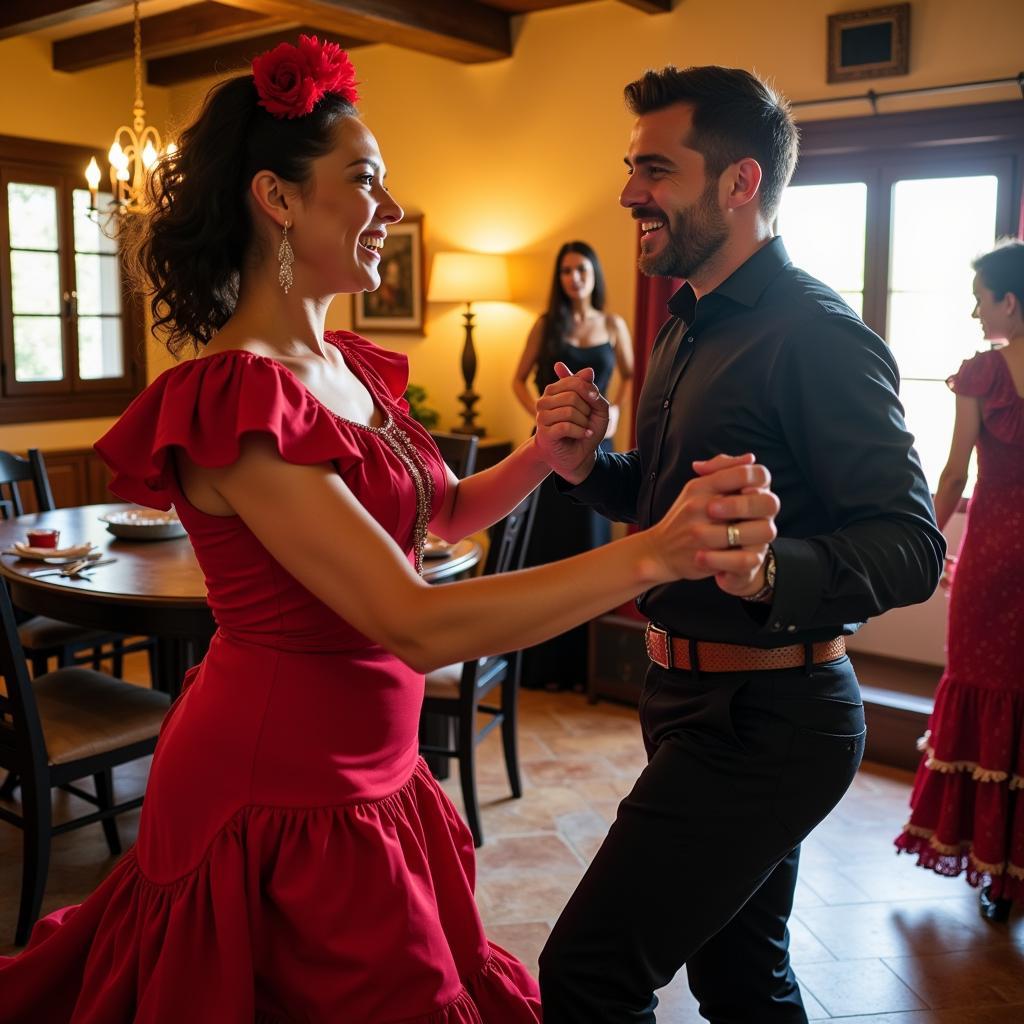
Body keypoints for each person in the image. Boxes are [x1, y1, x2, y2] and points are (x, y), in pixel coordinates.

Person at [0, 40, 782, 1022]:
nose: (389, 208)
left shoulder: (349, 365)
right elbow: (411, 619)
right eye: (363, 180)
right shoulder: (234, 397)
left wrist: (541, 454)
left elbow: (438, 511)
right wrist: (654, 547)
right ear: (277, 200)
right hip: (277, 790)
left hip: (373, 764)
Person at [532, 65, 945, 1023]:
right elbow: (666, 505)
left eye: (656, 169)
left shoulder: (818, 336)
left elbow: (910, 545)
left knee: (588, 974)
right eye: (632, 166)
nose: (631, 191)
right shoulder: (685, 323)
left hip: (772, 717)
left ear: (740, 182)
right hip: (685, 696)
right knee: (740, 978)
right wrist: (592, 463)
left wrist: (770, 571)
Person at [895, 240, 1024, 923]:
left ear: (1009, 300)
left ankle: (997, 874)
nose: (974, 309)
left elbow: (952, 476)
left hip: (996, 555)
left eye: (981, 295)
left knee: (985, 692)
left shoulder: (983, 373)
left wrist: (921, 539)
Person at [512, 241, 634, 690]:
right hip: (552, 448)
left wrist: (616, 412)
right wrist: (539, 414)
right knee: (548, 550)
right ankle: (542, 668)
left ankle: (585, 671)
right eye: (565, 271)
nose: (574, 278)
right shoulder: (546, 325)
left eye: (581, 269)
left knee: (589, 548)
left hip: (597, 448)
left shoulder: (614, 324)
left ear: (593, 273)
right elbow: (517, 379)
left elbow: (630, 374)